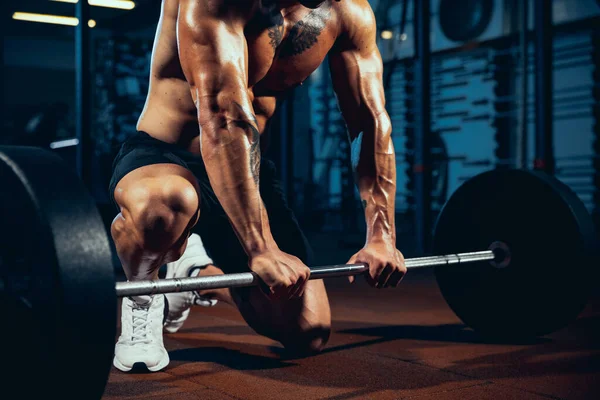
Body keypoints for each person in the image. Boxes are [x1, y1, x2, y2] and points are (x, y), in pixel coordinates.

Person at [110, 0, 406, 372]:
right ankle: (142, 298)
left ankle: (195, 277)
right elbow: (222, 114)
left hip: (246, 170)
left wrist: (382, 236)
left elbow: (369, 121)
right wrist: (260, 247)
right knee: (166, 203)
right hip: (168, 157)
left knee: (308, 331)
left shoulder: (349, 13)